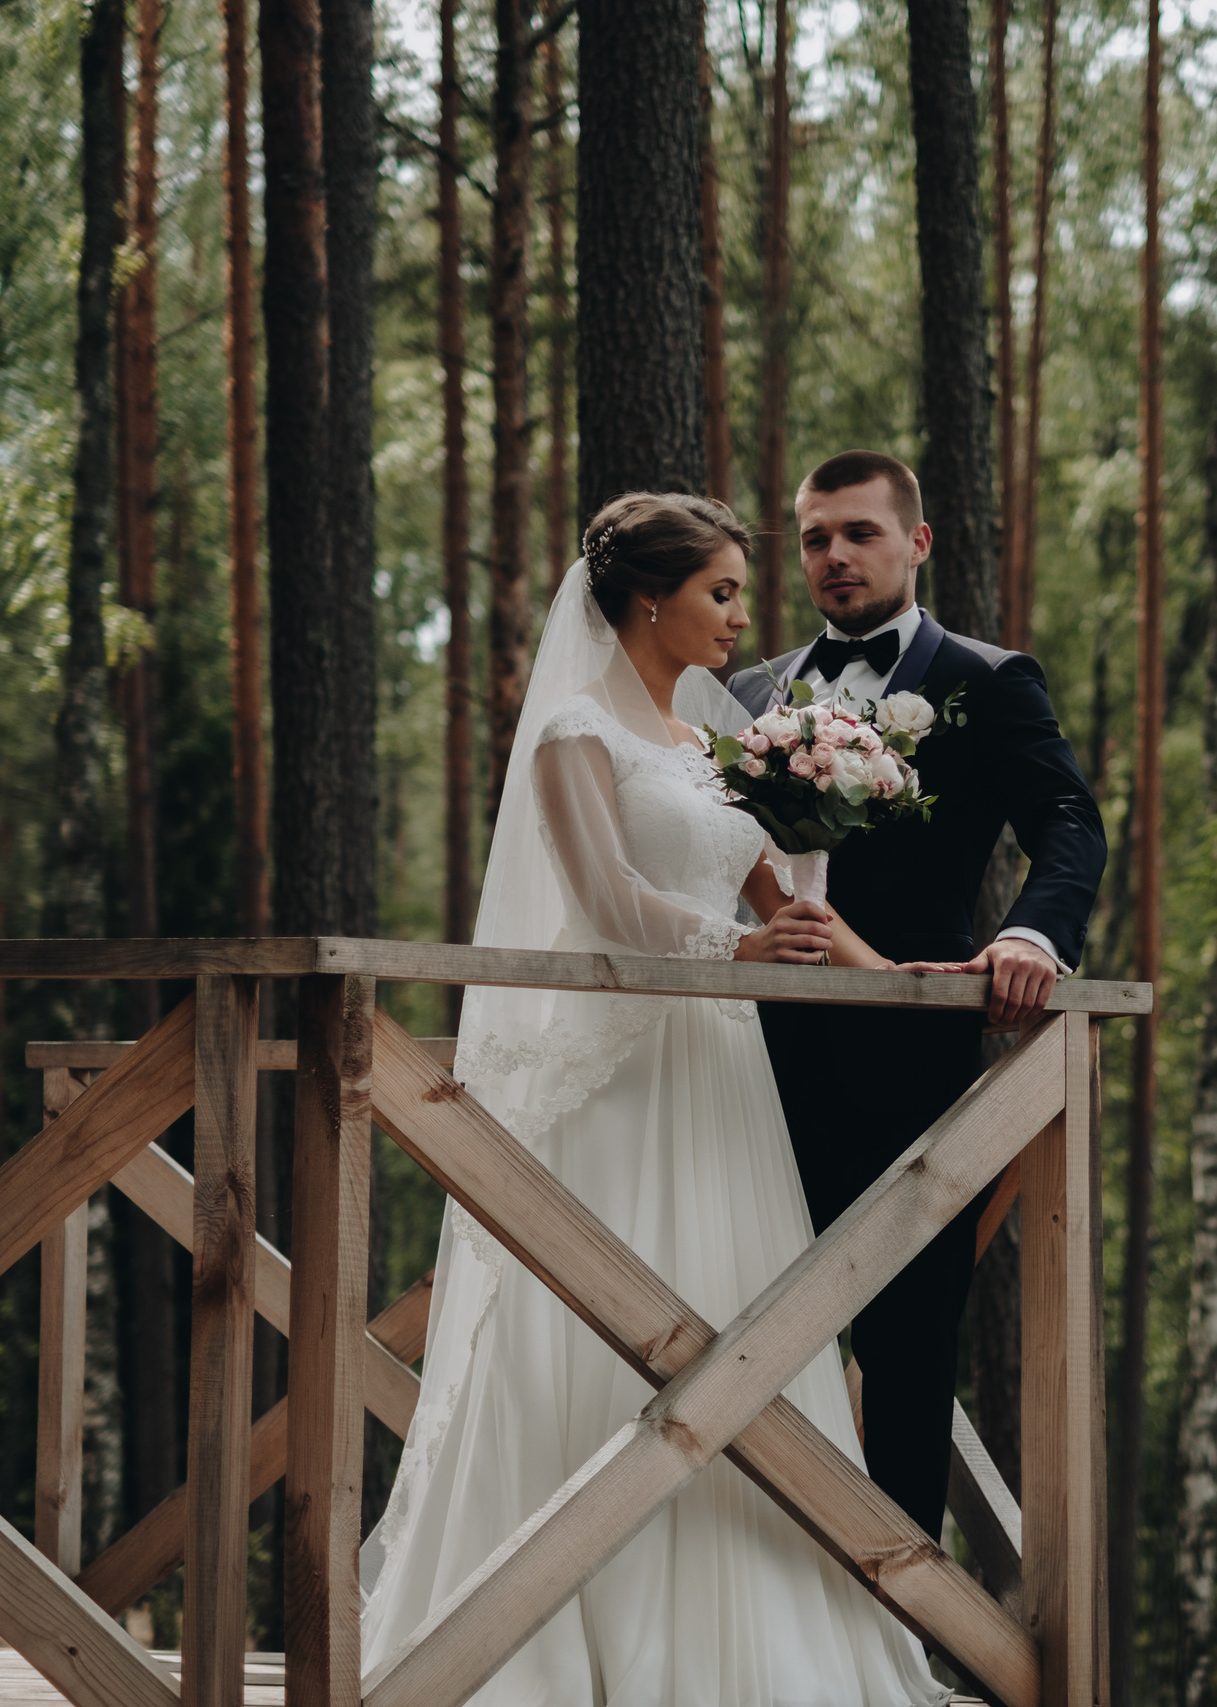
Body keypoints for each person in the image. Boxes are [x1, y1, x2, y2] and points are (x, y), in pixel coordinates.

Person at [359, 492, 946, 1706]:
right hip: (625, 1074)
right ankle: (540, 1630)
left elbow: (789, 896)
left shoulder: (714, 746)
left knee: (737, 1330)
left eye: (738, 592)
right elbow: (607, 907)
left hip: (722, 1071)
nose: (741, 618)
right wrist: (735, 954)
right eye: (720, 592)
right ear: (647, 600)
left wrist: (887, 976)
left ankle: (755, 1638)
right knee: (596, 1337)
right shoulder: (578, 733)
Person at [728, 449, 1106, 1541]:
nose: (835, 557)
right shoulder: (754, 694)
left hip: (914, 1064)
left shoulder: (986, 681)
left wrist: (1029, 933)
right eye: (814, 538)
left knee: (906, 1343)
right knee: (735, 1327)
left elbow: (1069, 824)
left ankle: (894, 1646)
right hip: (749, 1058)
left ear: (916, 543)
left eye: (859, 533)